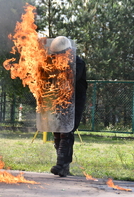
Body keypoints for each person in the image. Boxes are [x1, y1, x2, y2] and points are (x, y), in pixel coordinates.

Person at [49, 36, 87, 177]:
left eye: (59, 54)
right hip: (60, 99)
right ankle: (63, 167)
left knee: (66, 131)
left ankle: (61, 165)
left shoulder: (77, 62)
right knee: (57, 131)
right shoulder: (57, 61)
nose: (57, 56)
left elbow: (71, 79)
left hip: (75, 100)